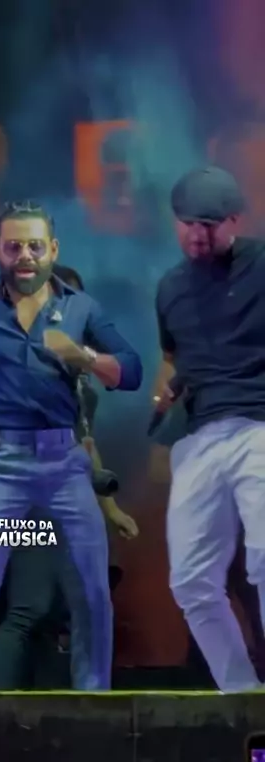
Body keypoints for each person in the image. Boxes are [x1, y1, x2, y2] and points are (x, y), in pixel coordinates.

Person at [0, 199, 142, 691]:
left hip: (65, 470)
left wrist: (82, 355)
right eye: (14, 246)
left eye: (35, 246)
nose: (25, 256)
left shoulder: (80, 308)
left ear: (53, 249)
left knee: (91, 594)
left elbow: (132, 372)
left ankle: (93, 705)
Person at [0, 263, 139, 690]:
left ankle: (85, 703)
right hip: (22, 498)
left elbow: (84, 443)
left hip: (68, 496)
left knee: (83, 603)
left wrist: (110, 508)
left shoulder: (79, 372)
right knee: (29, 606)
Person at [154, 165, 265, 691]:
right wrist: (168, 390)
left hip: (259, 426)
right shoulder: (170, 288)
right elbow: (173, 358)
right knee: (191, 579)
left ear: (234, 221)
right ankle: (243, 695)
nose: (197, 234)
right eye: (187, 223)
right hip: (200, 436)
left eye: (209, 224)